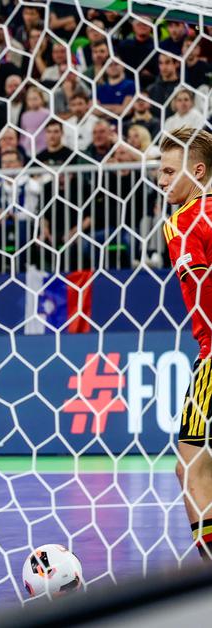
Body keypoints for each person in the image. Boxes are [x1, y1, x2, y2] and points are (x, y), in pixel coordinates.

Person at [159, 128, 212, 561]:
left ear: (197, 172)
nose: (160, 180)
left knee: (191, 467)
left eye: (168, 171)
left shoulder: (182, 221)